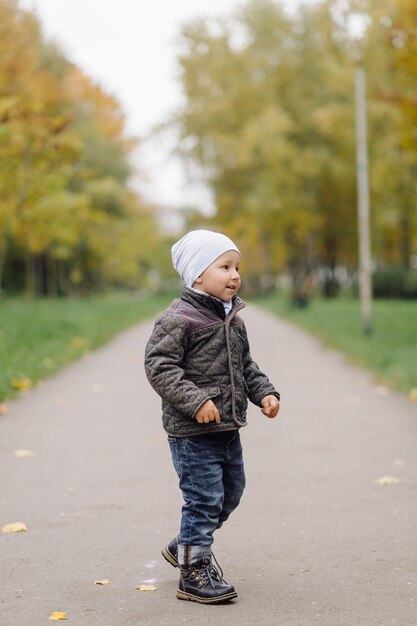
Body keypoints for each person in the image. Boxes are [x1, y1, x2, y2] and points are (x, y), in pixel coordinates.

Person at [144, 230, 280, 604]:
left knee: (230, 493)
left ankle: (186, 544)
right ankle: (194, 572)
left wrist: (264, 392)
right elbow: (159, 366)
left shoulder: (233, 318)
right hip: (192, 431)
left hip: (227, 427)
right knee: (204, 499)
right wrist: (195, 400)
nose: (235, 275)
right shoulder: (178, 318)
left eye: (237, 266)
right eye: (224, 266)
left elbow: (245, 365)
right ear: (197, 275)